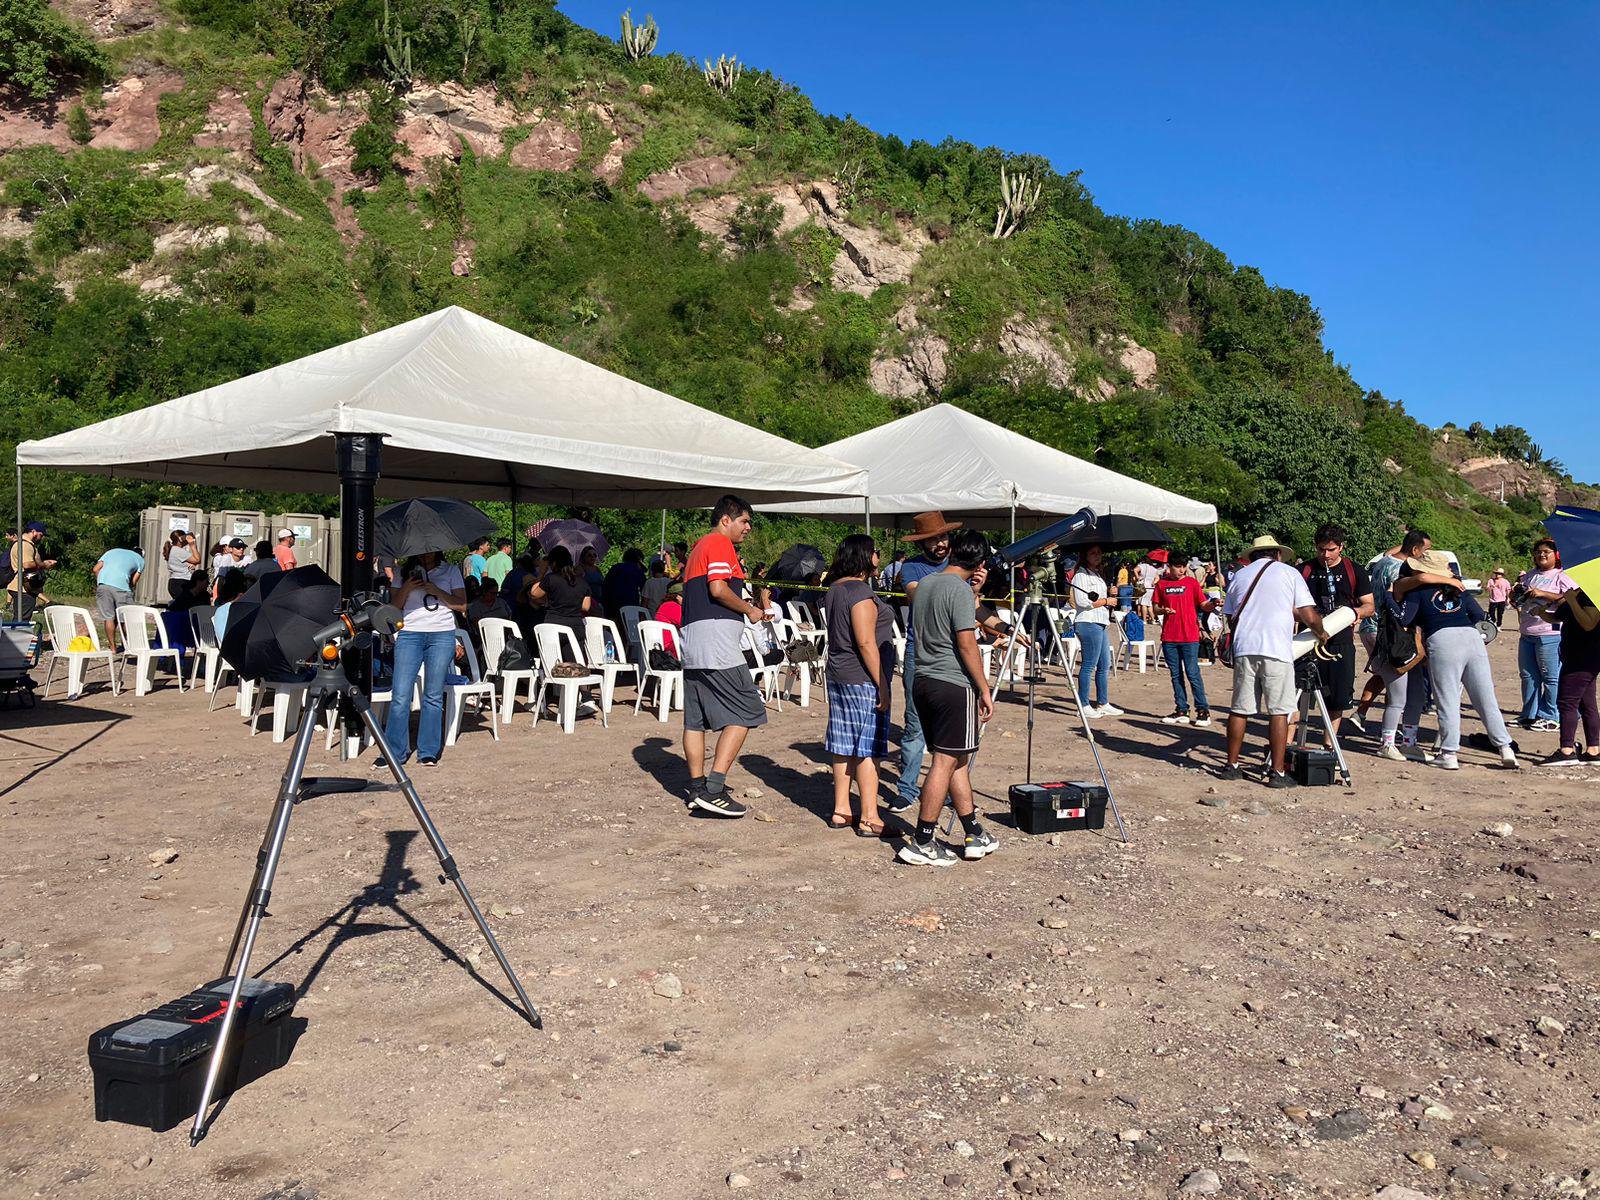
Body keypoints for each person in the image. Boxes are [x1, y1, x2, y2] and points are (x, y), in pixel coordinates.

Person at [896, 529, 998, 867]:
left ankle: (973, 831)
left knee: (954, 757)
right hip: (952, 683)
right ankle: (923, 838)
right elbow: (967, 643)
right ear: (981, 562)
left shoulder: (927, 584)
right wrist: (984, 687)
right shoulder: (960, 592)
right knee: (944, 760)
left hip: (923, 679)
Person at [679, 494, 770, 819]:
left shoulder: (698, 548)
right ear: (726, 519)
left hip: (693, 641)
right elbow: (718, 588)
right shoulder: (719, 543)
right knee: (748, 710)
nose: (748, 528)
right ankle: (714, 790)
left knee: (695, 720)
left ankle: (697, 788)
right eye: (745, 521)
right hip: (716, 642)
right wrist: (750, 609)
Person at [1218, 535, 1327, 787]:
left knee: (1240, 708)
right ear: (1277, 554)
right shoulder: (1289, 574)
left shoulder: (1240, 577)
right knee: (1279, 711)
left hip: (1245, 647)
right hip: (1276, 648)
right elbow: (1309, 614)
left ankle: (1231, 765)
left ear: (1253, 555)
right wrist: (1321, 632)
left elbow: (1230, 615)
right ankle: (1277, 773)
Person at [1396, 548, 1518, 770]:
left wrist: (1393, 600)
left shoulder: (1417, 590)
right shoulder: (1459, 589)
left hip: (1442, 640)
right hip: (1472, 637)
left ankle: (1449, 753)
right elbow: (1480, 617)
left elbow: (1405, 617)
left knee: (1447, 699)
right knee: (1485, 698)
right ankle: (1505, 748)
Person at [822, 535, 897, 836]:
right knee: (868, 746)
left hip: (838, 673)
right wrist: (883, 684)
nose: (879, 556)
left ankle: (841, 809)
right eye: (875, 552)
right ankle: (869, 816)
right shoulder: (861, 592)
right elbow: (866, 642)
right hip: (862, 677)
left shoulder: (835, 589)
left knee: (842, 743)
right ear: (865, 556)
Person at [893, 511, 962, 815]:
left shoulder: (958, 563)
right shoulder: (911, 567)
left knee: (949, 727)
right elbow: (916, 597)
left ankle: (942, 786)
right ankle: (907, 789)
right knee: (914, 723)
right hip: (918, 650)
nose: (940, 544)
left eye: (943, 537)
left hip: (953, 650)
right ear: (922, 544)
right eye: (933, 540)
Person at [381, 550, 466, 768]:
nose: (424, 557)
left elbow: (462, 605)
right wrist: (408, 586)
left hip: (442, 634)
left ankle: (428, 751)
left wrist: (437, 591)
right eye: (420, 554)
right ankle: (395, 751)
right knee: (400, 694)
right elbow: (393, 607)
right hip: (410, 633)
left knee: (433, 695)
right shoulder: (402, 572)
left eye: (428, 554)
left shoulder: (450, 570)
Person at [1300, 523, 1374, 739]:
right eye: (1321, 549)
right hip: (1306, 642)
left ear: (1341, 547)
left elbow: (1369, 606)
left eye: (1331, 549)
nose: (1326, 555)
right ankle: (1286, 748)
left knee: (1338, 698)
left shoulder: (1355, 570)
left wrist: (1354, 614)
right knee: (1296, 698)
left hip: (1340, 642)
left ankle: (1329, 746)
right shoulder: (1304, 570)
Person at [1516, 538, 1575, 731]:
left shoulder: (1561, 575)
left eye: (1546, 552)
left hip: (1550, 632)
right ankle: (1529, 715)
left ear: (1555, 555)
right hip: (1527, 631)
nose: (1541, 555)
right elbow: (1519, 599)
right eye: (1538, 551)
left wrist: (1543, 594)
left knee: (1550, 677)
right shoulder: (1529, 576)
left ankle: (1551, 715)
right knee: (1528, 676)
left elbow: (1569, 599)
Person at [1153, 552, 1216, 726]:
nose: (1181, 570)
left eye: (1184, 567)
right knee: (1175, 675)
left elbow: (1203, 604)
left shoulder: (1192, 583)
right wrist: (1163, 610)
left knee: (1192, 673)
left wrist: (1212, 605)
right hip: (1169, 636)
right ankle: (1181, 709)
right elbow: (1155, 608)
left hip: (1189, 636)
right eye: (1178, 567)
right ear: (1170, 567)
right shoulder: (1162, 584)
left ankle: (1203, 711)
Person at [1538, 588, 1600, 766]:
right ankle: (1593, 750)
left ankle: (1567, 751)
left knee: (1567, 702)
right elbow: (1559, 617)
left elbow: (1589, 623)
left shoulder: (1592, 595)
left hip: (1583, 658)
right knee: (1587, 704)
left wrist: (1572, 601)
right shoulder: (1579, 593)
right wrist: (1542, 613)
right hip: (1576, 656)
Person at [1068, 543, 1119, 718]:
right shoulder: (1081, 575)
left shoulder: (1098, 575)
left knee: (1105, 664)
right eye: (1093, 553)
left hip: (1100, 622)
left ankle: (1102, 702)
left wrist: (1110, 593)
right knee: (1089, 665)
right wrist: (1106, 601)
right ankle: (1083, 704)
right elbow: (1082, 601)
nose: (1097, 556)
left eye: (1099, 553)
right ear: (1085, 555)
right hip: (1088, 622)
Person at [532, 546, 592, 646]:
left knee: (551, 660)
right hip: (576, 629)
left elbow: (534, 594)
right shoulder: (583, 582)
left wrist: (542, 572)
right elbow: (586, 607)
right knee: (573, 661)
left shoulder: (550, 579)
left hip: (553, 628)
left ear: (554, 563)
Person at [93, 543, 144, 650]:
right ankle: (127, 646)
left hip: (103, 585)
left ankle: (112, 648)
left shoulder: (111, 551)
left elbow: (95, 569)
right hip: (122, 587)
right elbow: (134, 581)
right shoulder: (140, 559)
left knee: (108, 617)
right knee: (126, 617)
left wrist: (103, 581)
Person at [6, 521, 57, 621]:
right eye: (41, 535)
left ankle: (15, 635)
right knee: (21, 621)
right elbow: (27, 564)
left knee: (20, 619)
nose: (41, 538)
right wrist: (44, 564)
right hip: (23, 589)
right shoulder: (25, 545)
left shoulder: (23, 544)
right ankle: (16, 636)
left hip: (21, 587)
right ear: (33, 532)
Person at [603, 548, 647, 620]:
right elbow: (644, 589)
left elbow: (606, 585)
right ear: (639, 559)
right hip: (630, 604)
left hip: (612, 604)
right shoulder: (638, 570)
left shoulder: (615, 567)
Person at [165, 530, 201, 604]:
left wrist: (190, 565)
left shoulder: (173, 549)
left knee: (179, 606)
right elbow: (197, 560)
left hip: (173, 582)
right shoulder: (178, 551)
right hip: (181, 582)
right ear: (180, 539)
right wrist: (192, 545)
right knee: (184, 607)